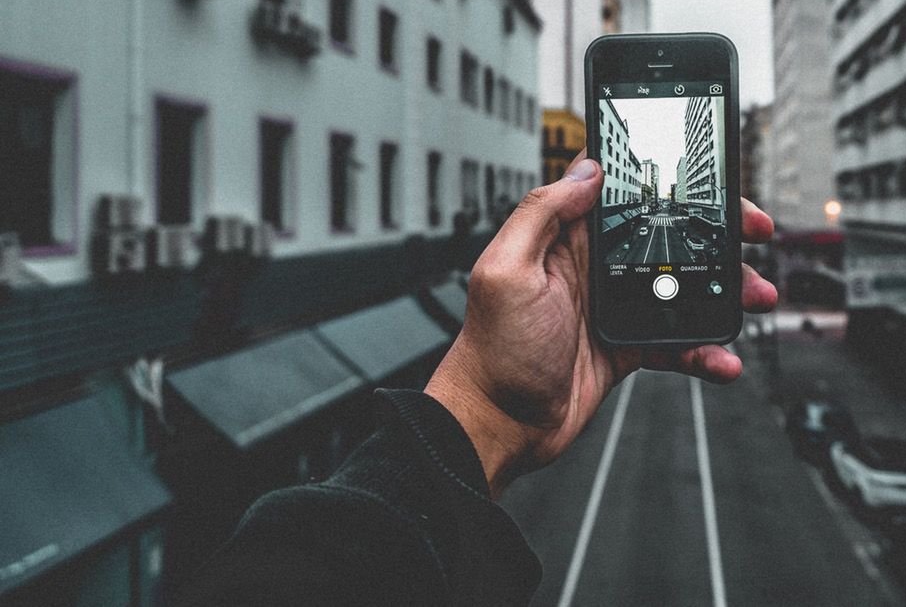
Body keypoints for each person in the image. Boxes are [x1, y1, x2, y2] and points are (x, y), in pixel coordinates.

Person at [179, 154, 777, 606]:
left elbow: (310, 569)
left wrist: (489, 404)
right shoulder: (299, 560)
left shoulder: (288, 558)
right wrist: (491, 405)